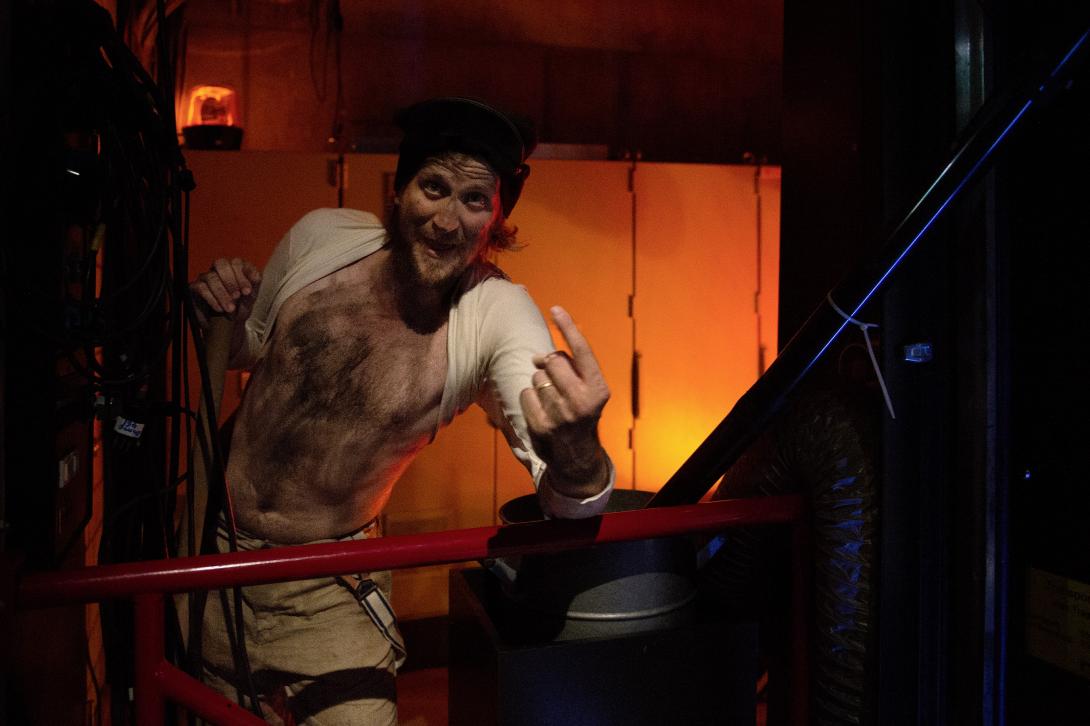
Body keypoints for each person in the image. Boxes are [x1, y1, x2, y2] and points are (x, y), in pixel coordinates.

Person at [188, 97, 614, 725]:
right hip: (210, 558)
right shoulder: (323, 237)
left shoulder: (493, 313)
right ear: (400, 188)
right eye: (433, 187)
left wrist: (577, 452)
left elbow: (567, 497)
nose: (446, 220)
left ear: (497, 219)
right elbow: (252, 347)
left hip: (328, 588)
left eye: (474, 200)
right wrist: (224, 309)